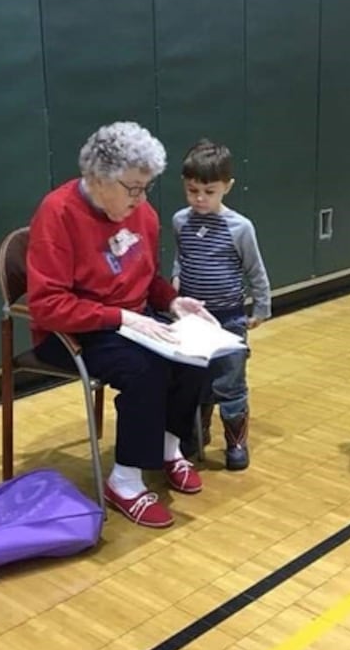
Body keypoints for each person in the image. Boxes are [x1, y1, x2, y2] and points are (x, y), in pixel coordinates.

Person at [25, 121, 215, 529]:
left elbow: (147, 278)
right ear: (98, 179)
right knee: (145, 369)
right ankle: (125, 481)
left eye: (146, 187)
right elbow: (47, 305)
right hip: (71, 330)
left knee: (194, 354)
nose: (142, 198)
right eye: (134, 188)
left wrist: (172, 301)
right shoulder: (57, 213)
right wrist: (123, 317)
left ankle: (169, 449)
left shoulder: (140, 213)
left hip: (127, 322)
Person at [171, 139, 271, 470]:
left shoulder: (240, 227)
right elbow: (180, 258)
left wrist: (261, 307)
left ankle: (236, 442)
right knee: (194, 379)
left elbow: (255, 269)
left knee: (229, 381)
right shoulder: (180, 221)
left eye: (208, 191)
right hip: (193, 320)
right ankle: (196, 433)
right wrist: (175, 284)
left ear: (226, 187)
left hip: (228, 318)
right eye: (192, 190)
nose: (199, 199)